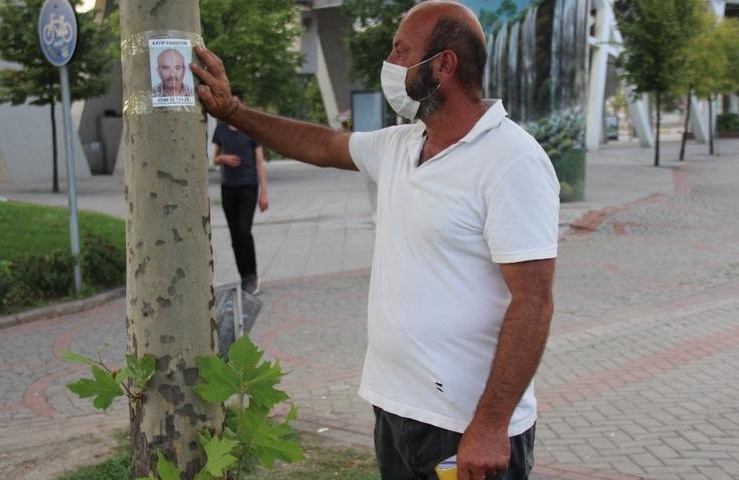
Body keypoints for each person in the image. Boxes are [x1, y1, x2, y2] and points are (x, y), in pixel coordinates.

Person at [191, 1, 558, 478]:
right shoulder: (401, 145)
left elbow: (534, 302)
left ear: (443, 65)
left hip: (465, 427)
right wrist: (233, 112)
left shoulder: (511, 159)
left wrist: (490, 425)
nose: (390, 63)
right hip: (397, 411)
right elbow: (321, 144)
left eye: (401, 51)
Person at [212, 90, 269, 295]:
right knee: (235, 235)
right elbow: (215, 159)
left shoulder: (250, 129)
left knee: (244, 230)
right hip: (228, 187)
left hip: (248, 186)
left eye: (238, 103)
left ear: (242, 105)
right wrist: (223, 159)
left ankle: (252, 275)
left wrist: (264, 192)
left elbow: (260, 162)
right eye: (231, 102)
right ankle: (243, 276)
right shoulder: (220, 130)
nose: (234, 106)